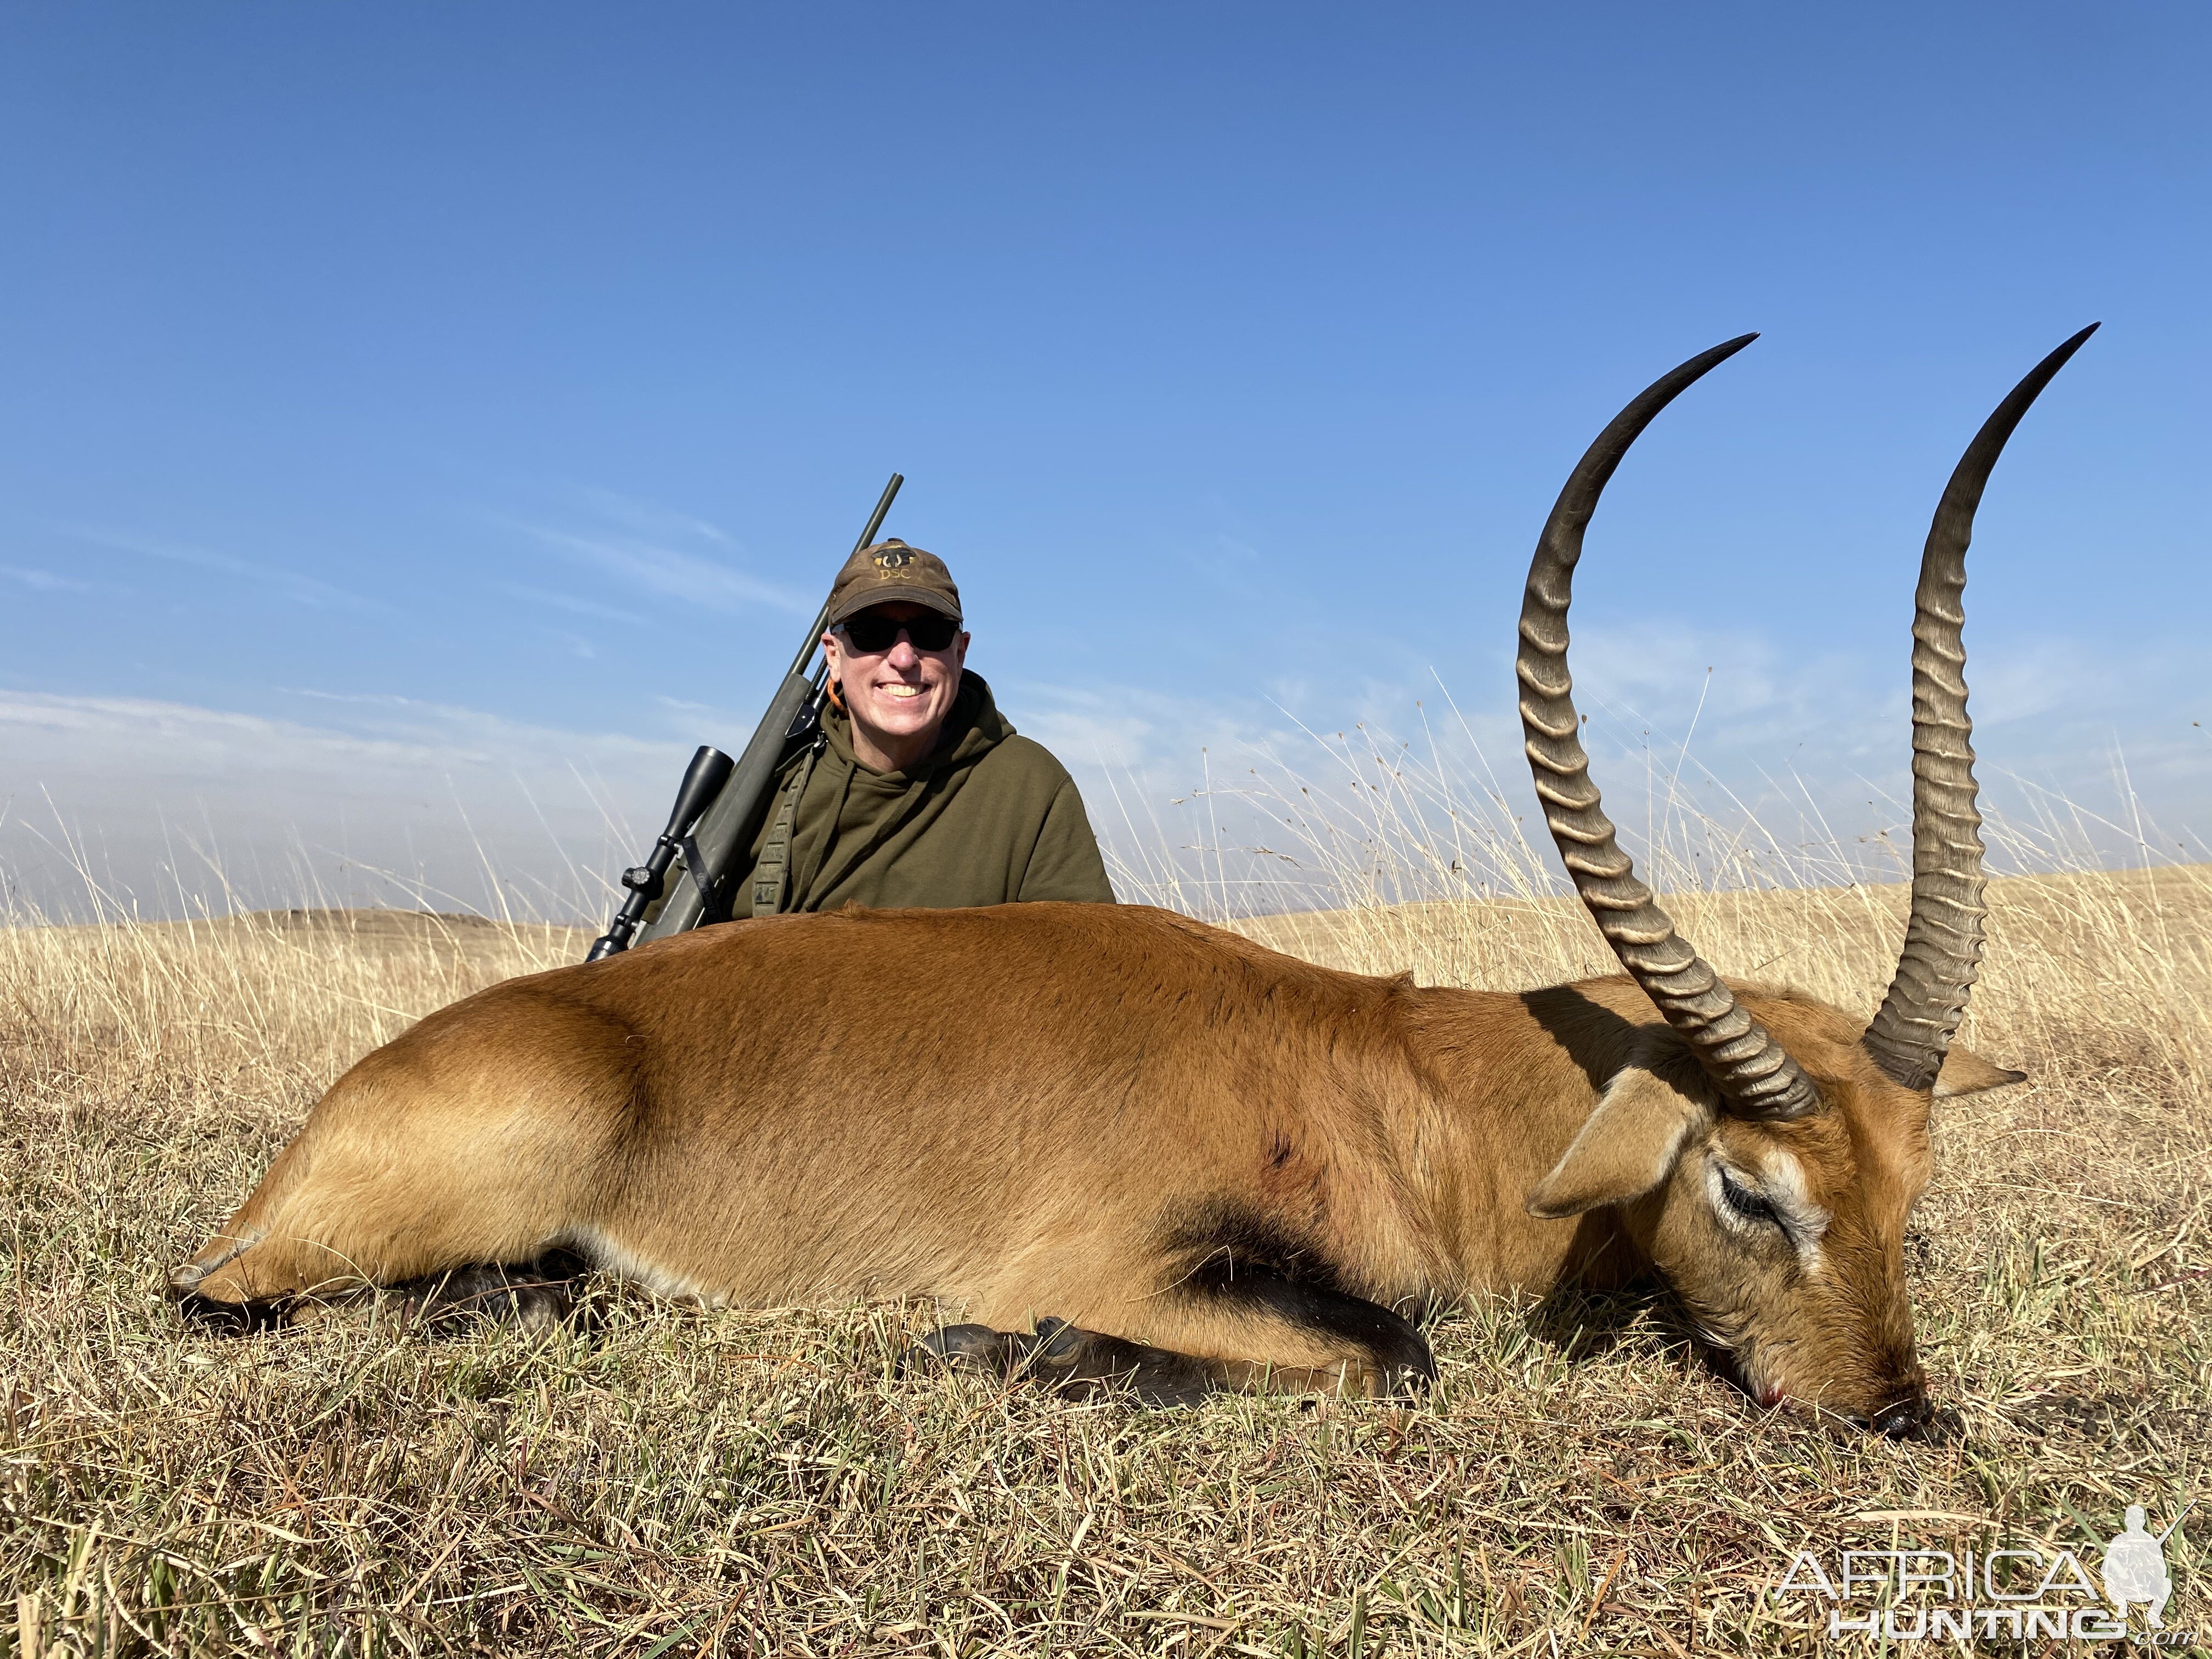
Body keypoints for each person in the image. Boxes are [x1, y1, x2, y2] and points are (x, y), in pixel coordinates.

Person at [724, 539, 1114, 918]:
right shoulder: (766, 784)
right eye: (870, 632)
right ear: (833, 655)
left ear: (960, 653)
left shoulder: (1029, 786)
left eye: (930, 633)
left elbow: (1086, 962)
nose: (904, 657)